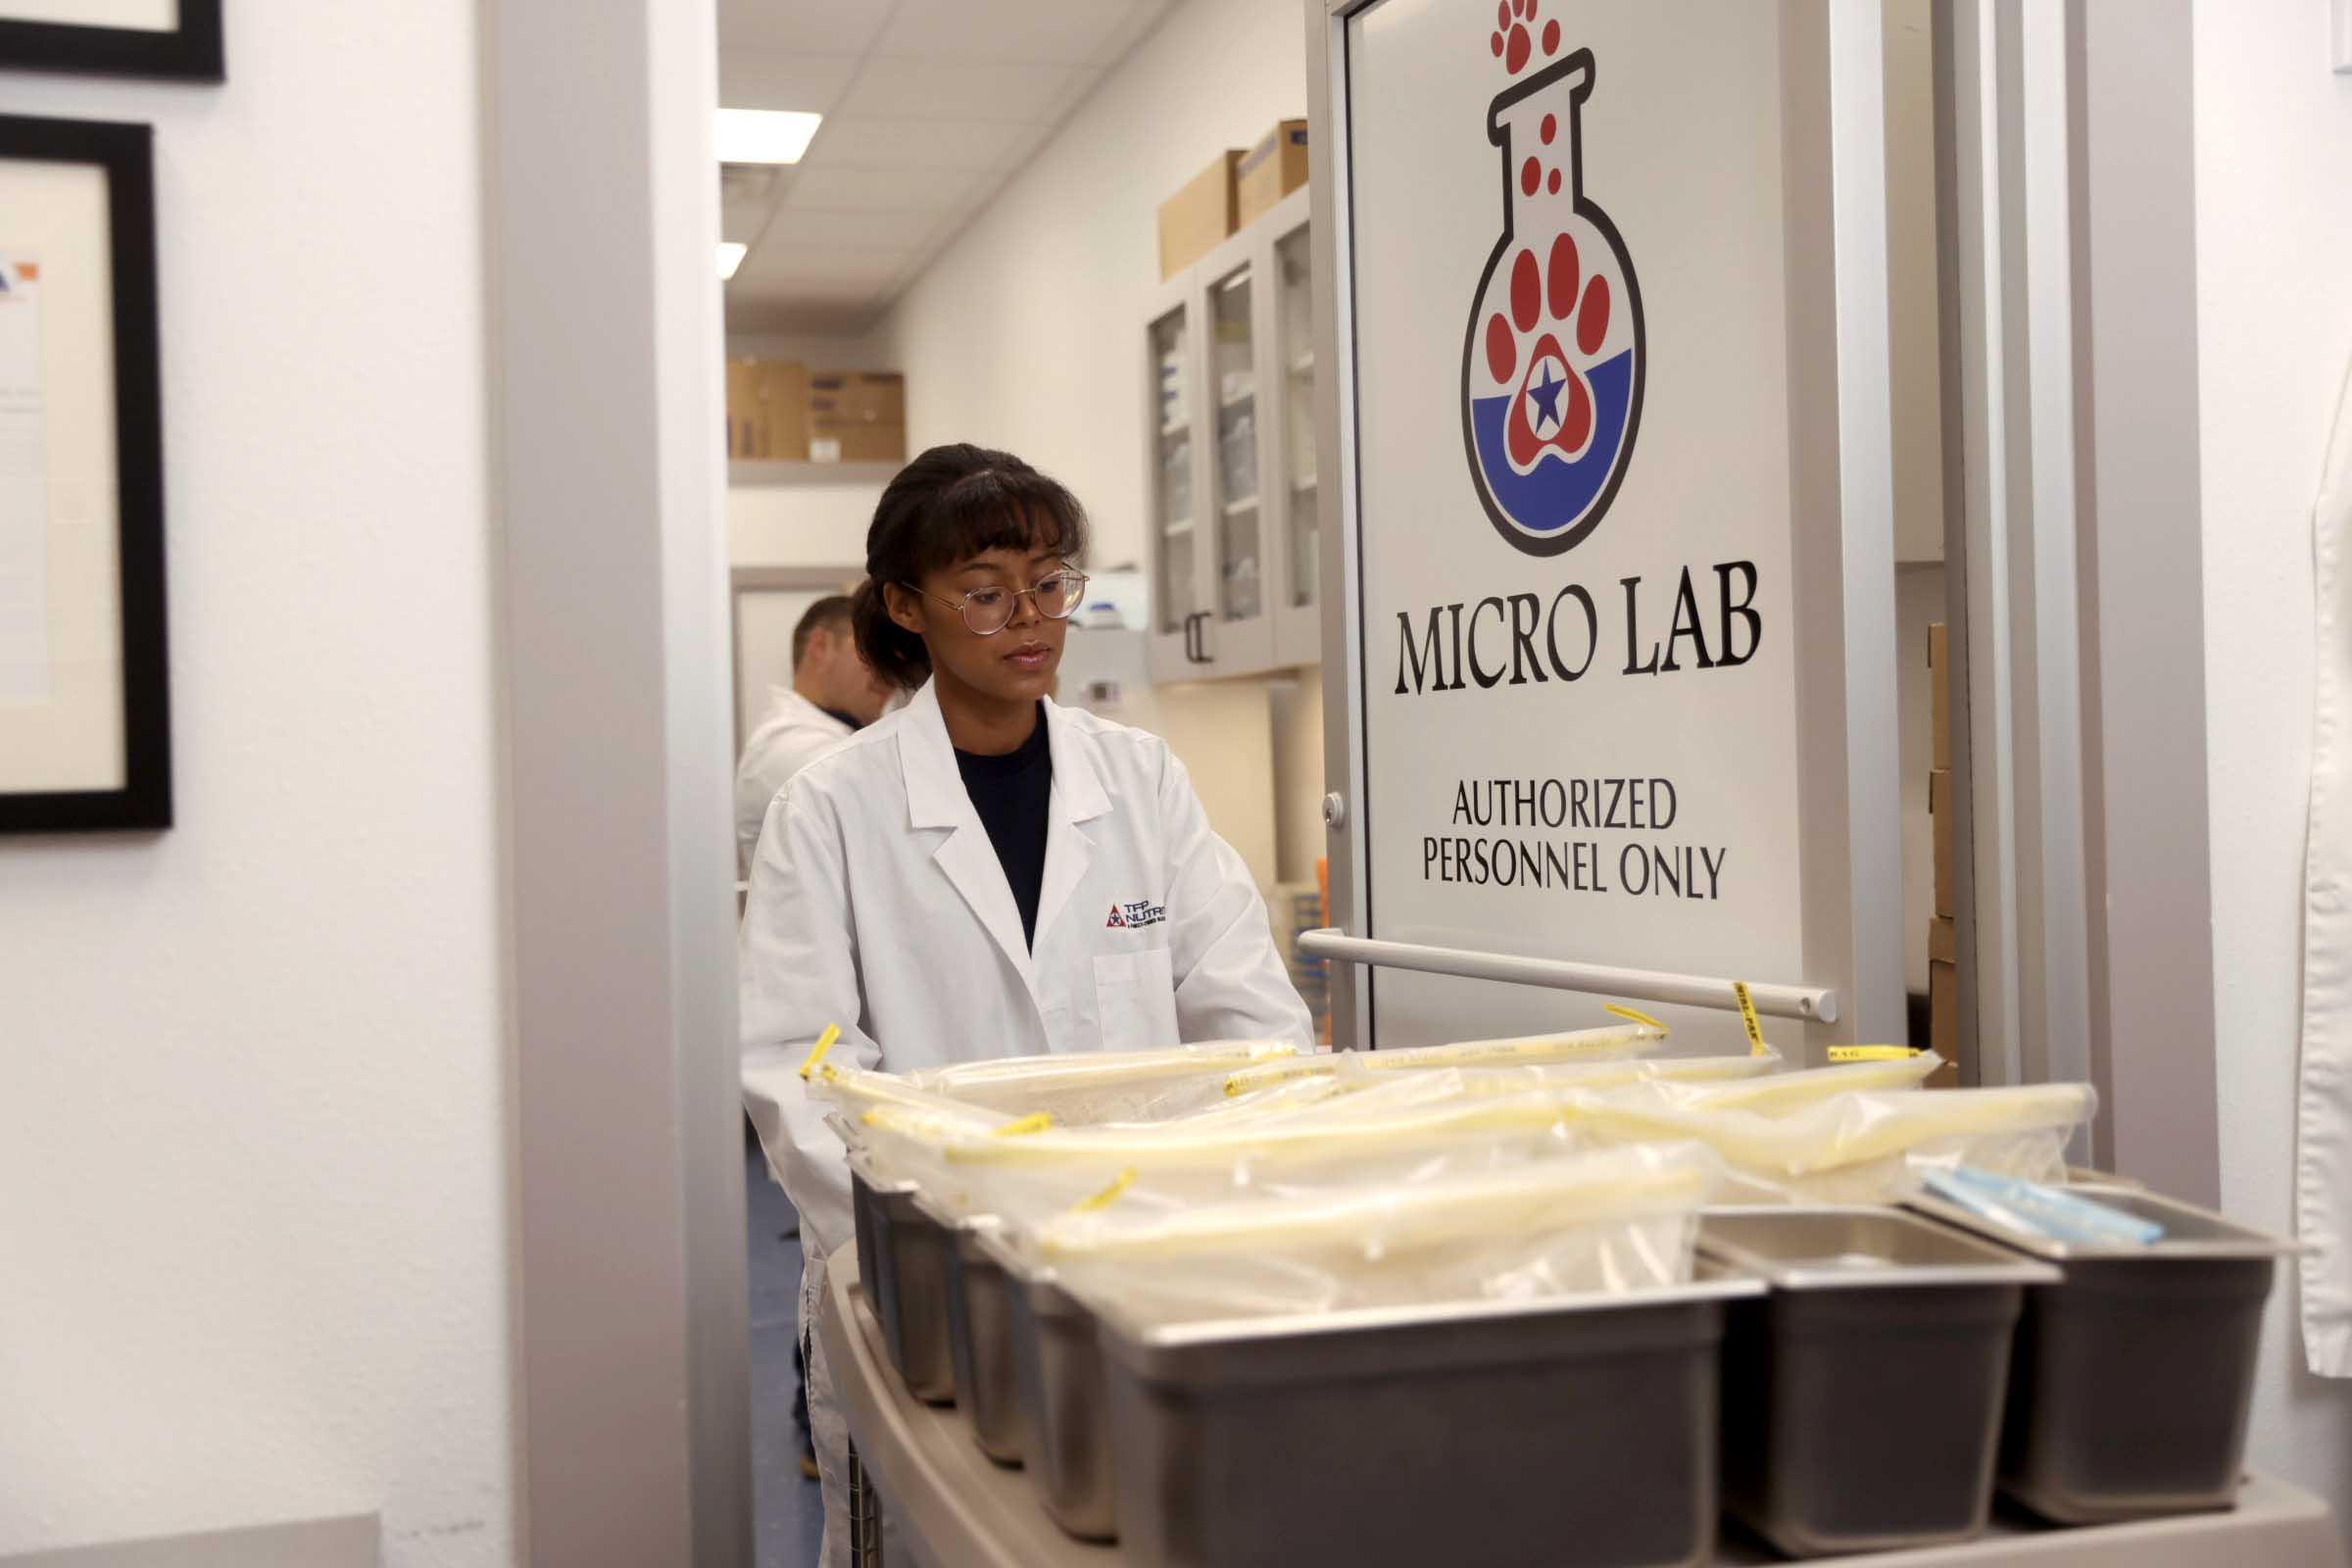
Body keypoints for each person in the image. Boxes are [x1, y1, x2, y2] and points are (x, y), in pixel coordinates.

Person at [738, 443, 1313, 1564]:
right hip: (937, 1296)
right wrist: (939, 1250)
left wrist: (1231, 1196)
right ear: (907, 607)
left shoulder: (1139, 778)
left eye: (1050, 582)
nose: (1031, 616)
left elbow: (1249, 1009)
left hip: (1143, 1264)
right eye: (987, 591)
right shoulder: (834, 808)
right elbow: (801, 1069)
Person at [733, 595, 895, 878]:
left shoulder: (836, 735)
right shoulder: (790, 746)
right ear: (821, 645)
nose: (888, 673)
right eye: (870, 652)